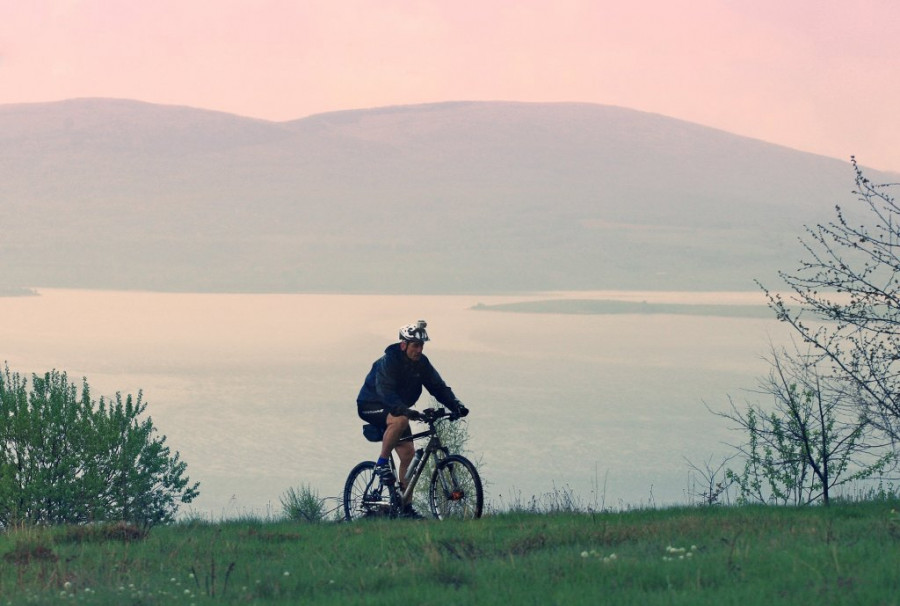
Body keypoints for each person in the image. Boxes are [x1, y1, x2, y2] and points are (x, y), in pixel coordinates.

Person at [357, 320, 469, 517]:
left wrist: (456, 405)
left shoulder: (422, 364)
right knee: (401, 420)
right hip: (371, 404)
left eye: (421, 346)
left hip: (397, 408)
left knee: (408, 455)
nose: (419, 350)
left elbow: (438, 387)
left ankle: (405, 508)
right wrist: (405, 411)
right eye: (415, 345)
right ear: (404, 345)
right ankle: (381, 464)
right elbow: (385, 391)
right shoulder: (389, 361)